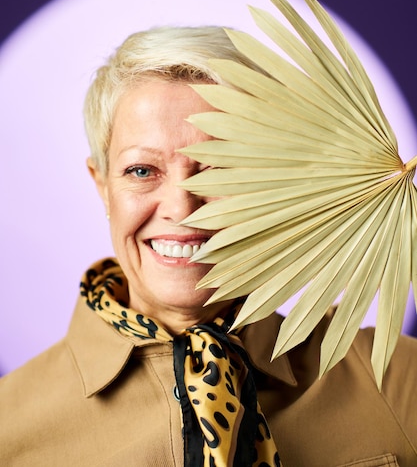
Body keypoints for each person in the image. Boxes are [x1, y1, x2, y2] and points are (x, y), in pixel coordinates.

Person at [1, 26, 417, 467]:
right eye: (142, 171)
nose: (183, 208)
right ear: (102, 185)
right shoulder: (8, 428)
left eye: (221, 168)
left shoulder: (393, 377)